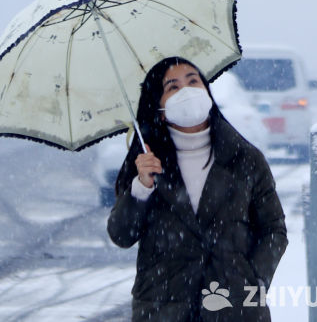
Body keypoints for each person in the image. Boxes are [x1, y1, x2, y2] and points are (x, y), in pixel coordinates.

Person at [107, 55, 288, 322]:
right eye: (173, 87)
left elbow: (273, 229)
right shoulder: (146, 163)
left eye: (193, 81)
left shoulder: (245, 158)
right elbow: (122, 235)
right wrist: (141, 187)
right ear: (158, 105)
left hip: (235, 307)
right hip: (163, 309)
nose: (187, 91)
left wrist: (255, 280)